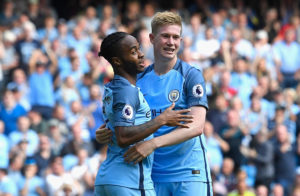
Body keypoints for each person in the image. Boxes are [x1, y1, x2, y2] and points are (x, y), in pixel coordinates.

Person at [97, 11, 212, 196]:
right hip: (152, 176)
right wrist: (105, 130)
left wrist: (153, 144)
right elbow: (125, 119)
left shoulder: (191, 75)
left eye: (176, 37)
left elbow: (197, 126)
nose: (171, 42)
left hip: (189, 173)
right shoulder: (138, 80)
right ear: (152, 38)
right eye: (165, 36)